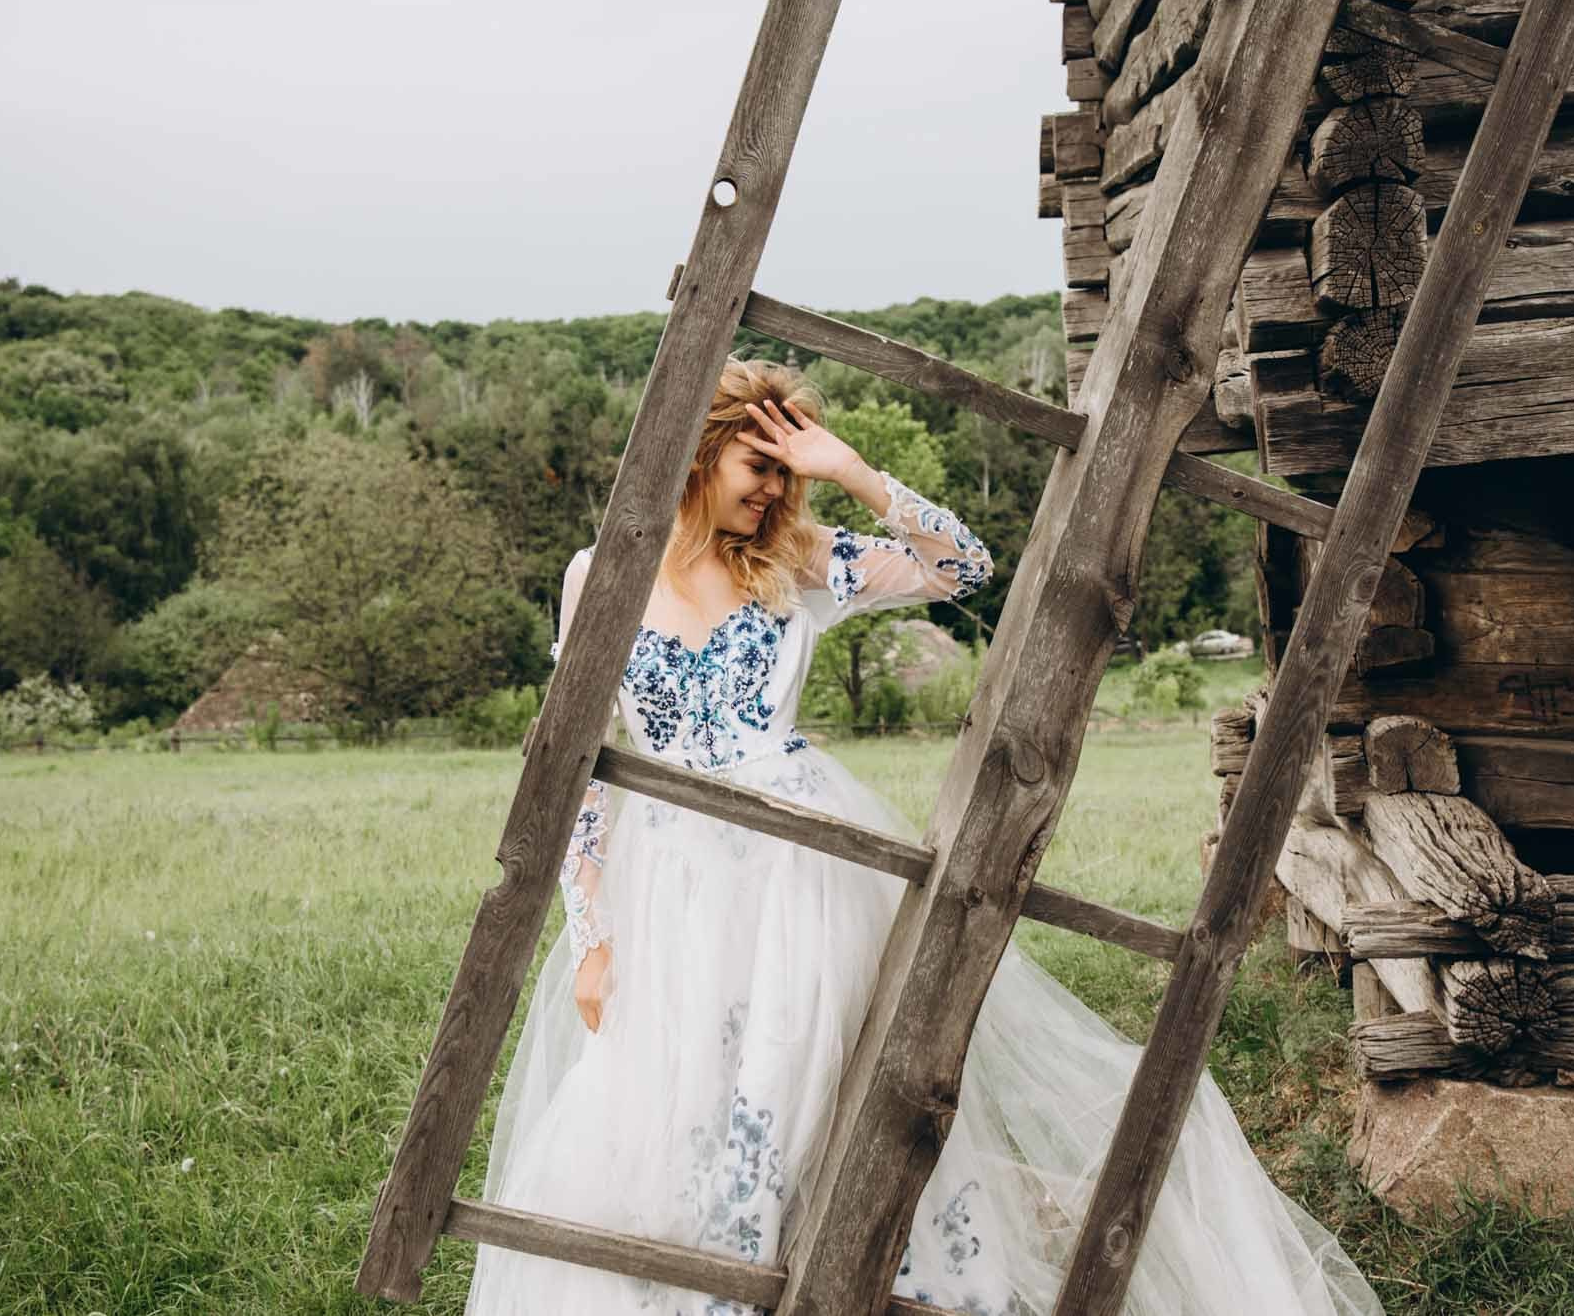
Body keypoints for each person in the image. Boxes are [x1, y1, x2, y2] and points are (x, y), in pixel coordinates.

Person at [465, 359, 1383, 1316]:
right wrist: (595, 934)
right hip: (669, 873)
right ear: (702, 449)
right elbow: (575, 762)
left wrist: (853, 471)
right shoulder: (600, 570)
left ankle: (819, 1285)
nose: (775, 488)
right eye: (759, 462)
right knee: (669, 1087)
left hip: (800, 860)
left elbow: (965, 567)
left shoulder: (801, 558)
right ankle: (693, 1290)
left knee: (797, 1074)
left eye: (788, 470)